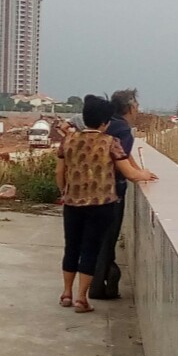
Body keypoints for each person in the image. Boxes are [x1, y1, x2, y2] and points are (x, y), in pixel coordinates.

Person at [56, 95, 157, 313]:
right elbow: (130, 173)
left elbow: (59, 172)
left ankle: (66, 293)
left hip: (72, 204)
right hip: (101, 205)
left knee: (71, 247)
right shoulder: (111, 142)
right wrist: (145, 174)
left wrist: (64, 192)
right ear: (104, 123)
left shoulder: (69, 140)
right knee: (90, 249)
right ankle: (81, 299)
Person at [90, 89, 141, 300]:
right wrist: (140, 174)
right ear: (130, 107)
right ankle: (98, 286)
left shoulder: (108, 123)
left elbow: (124, 156)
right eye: (136, 105)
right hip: (112, 191)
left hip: (93, 188)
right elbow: (121, 161)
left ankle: (97, 282)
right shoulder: (123, 129)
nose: (138, 109)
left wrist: (137, 169)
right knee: (107, 239)